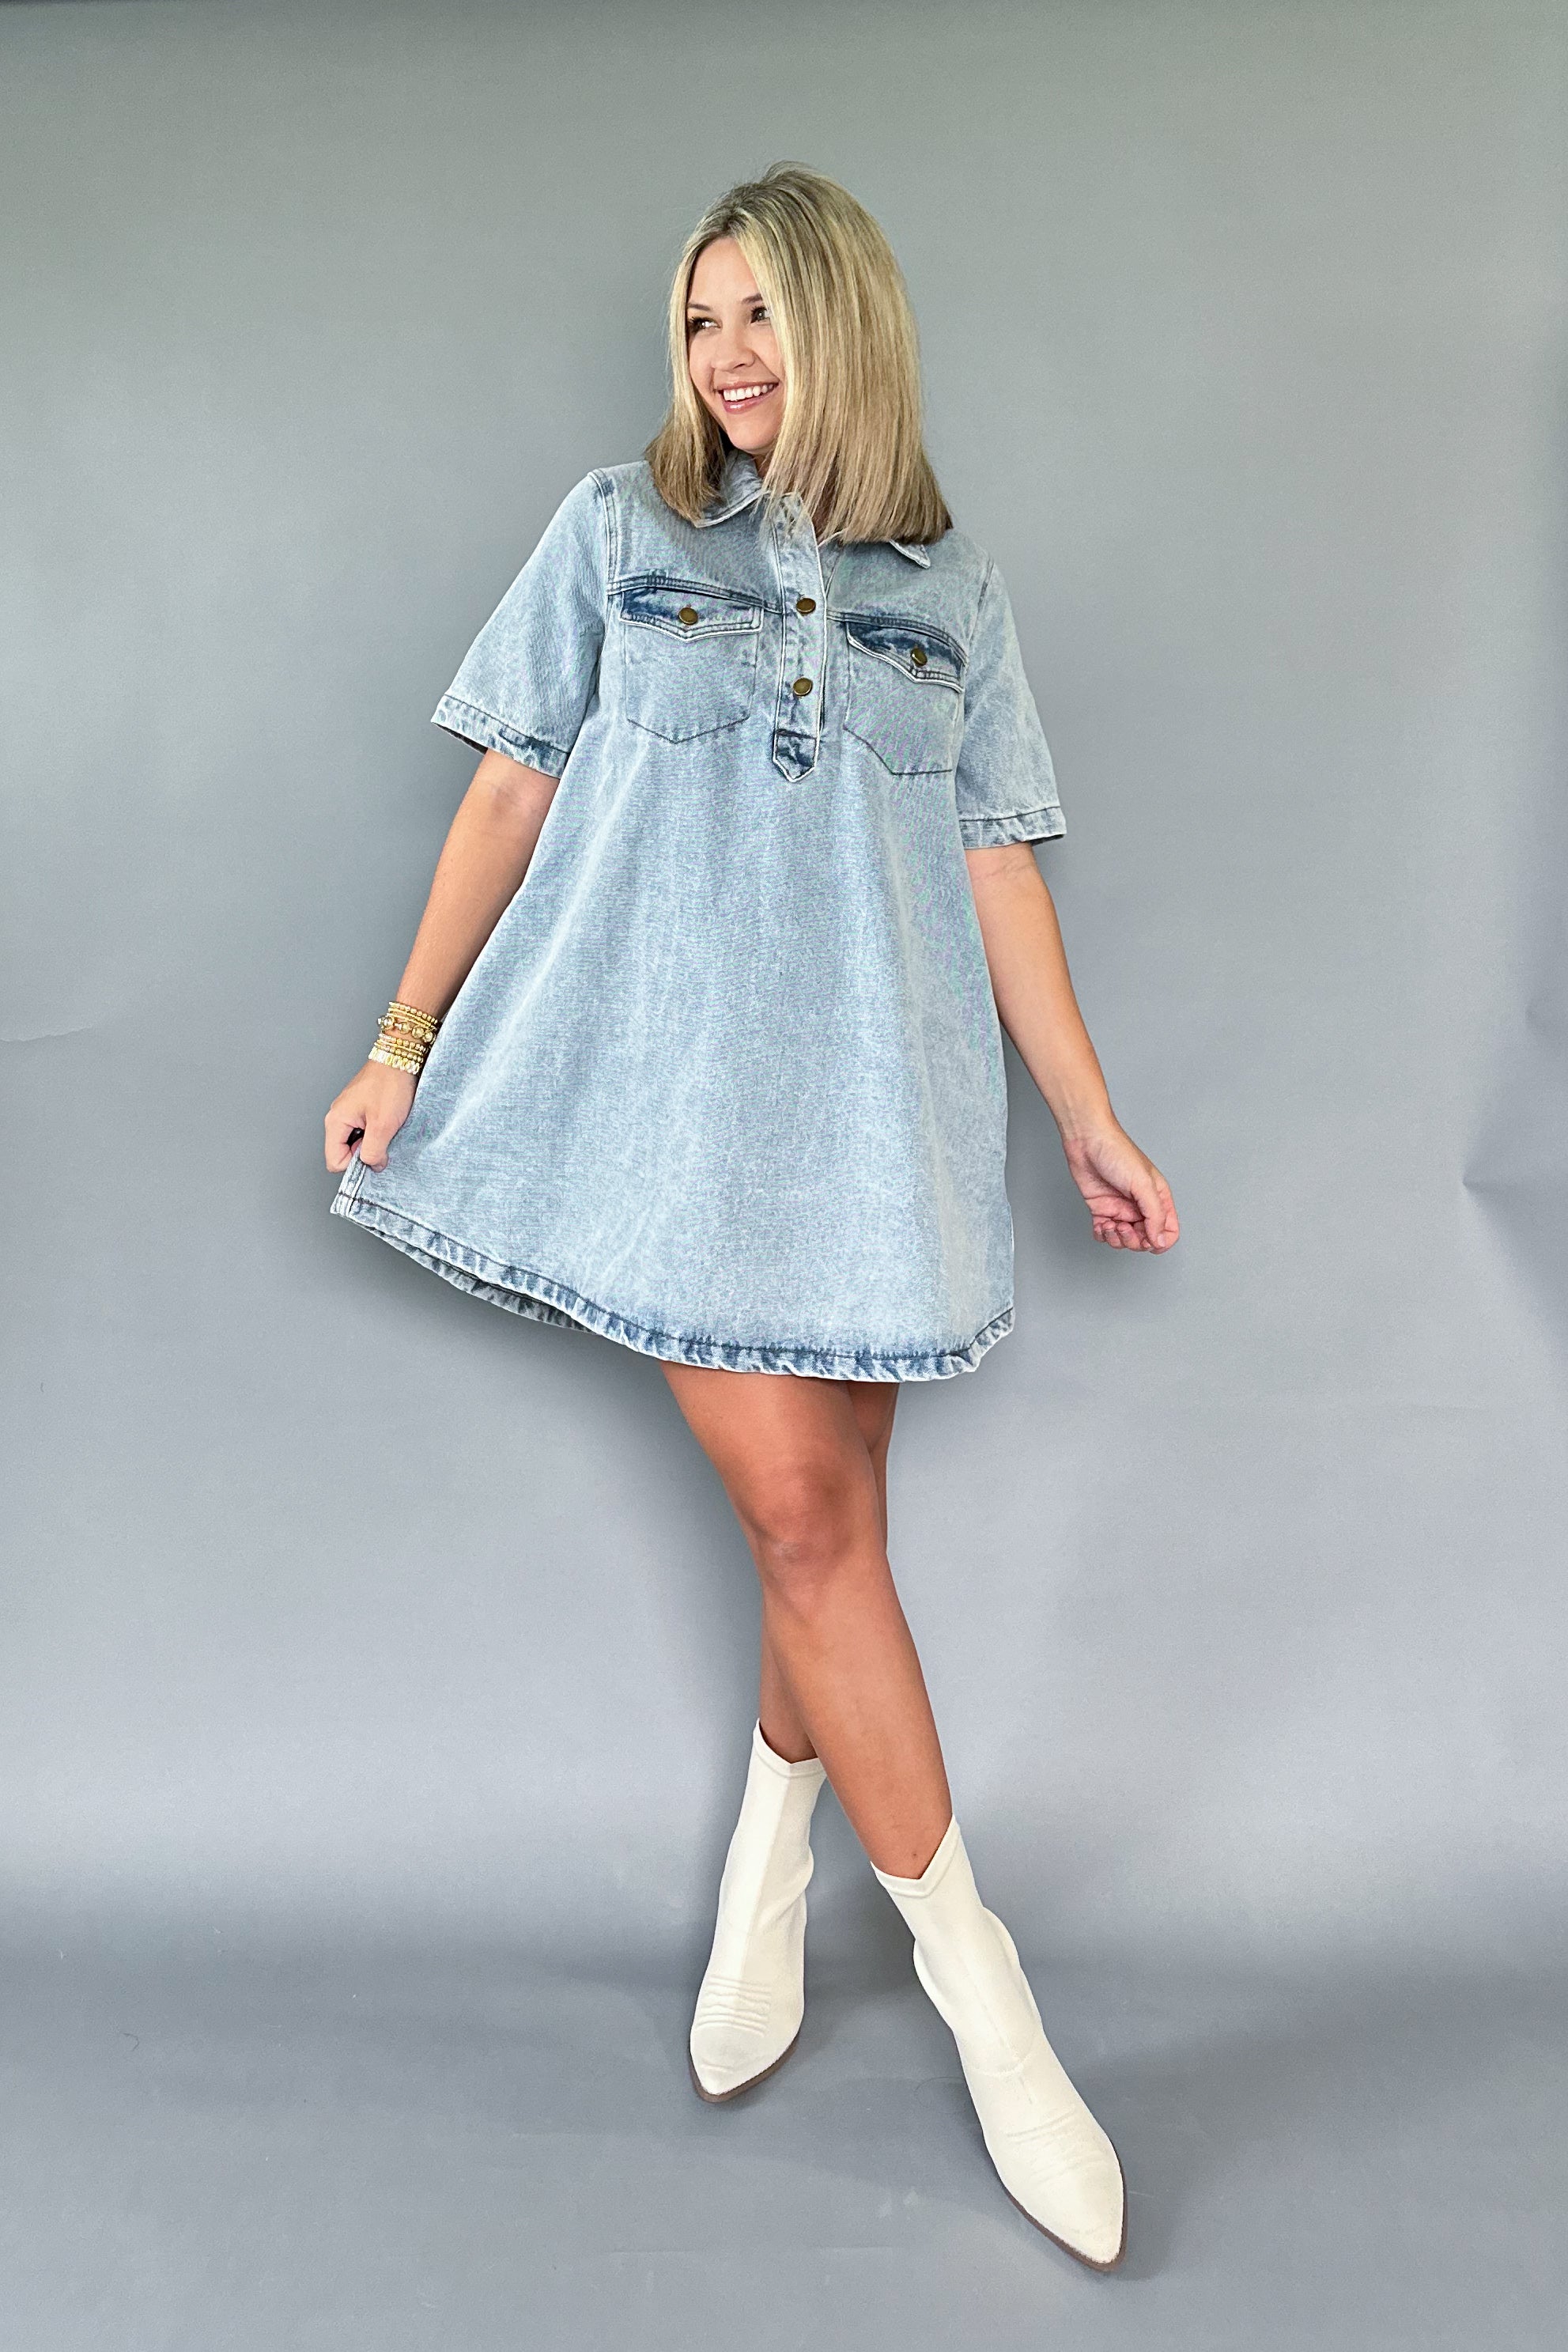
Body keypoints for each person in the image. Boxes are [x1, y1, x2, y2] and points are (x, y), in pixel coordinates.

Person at [323, 163, 1177, 2271]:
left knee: (835, 1536)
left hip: (881, 1121)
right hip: (670, 1108)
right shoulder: (618, 534)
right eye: (701, 321)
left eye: (761, 316)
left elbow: (995, 864)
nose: (724, 356)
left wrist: (1089, 1118)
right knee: (806, 1525)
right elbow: (511, 783)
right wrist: (403, 1041)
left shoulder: (951, 587)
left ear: (843, 326)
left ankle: (766, 1871)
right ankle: (993, 2007)